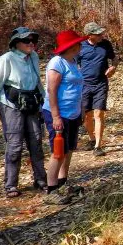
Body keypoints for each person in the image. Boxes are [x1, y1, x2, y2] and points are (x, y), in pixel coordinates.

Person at [0, 27, 47, 198]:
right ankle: (10, 184)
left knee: (36, 140)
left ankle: (41, 179)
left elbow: (37, 81)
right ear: (16, 43)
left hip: (31, 103)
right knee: (15, 145)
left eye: (33, 40)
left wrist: (45, 101)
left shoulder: (33, 57)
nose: (31, 43)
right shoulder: (7, 59)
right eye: (26, 41)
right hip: (10, 105)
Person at [42, 30, 85, 205]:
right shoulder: (57, 63)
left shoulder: (73, 62)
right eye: (78, 43)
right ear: (72, 46)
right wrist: (55, 116)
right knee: (58, 152)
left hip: (73, 112)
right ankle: (51, 189)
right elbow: (52, 91)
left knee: (69, 150)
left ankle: (62, 183)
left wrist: (81, 110)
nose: (81, 45)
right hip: (59, 113)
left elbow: (78, 89)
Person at [76, 22, 117, 156]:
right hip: (85, 85)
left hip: (101, 84)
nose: (101, 35)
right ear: (90, 35)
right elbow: (73, 64)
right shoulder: (80, 46)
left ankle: (98, 146)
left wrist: (113, 68)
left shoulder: (106, 44)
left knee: (98, 114)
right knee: (87, 116)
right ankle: (92, 139)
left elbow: (114, 59)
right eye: (98, 34)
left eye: (101, 33)